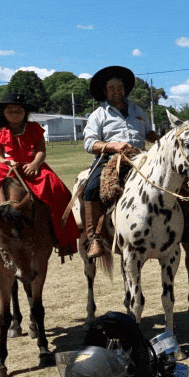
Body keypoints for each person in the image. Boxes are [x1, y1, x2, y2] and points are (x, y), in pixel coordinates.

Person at [0, 92, 80, 257]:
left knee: (59, 189)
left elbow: (41, 151)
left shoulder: (34, 128)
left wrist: (35, 163)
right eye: (10, 110)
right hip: (7, 168)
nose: (14, 114)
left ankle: (65, 241)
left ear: (25, 112)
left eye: (18, 110)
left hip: (31, 167)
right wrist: (5, 162)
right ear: (3, 113)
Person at [81, 66, 159, 259]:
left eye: (120, 87)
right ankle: (95, 238)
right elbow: (90, 143)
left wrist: (159, 139)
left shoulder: (138, 110)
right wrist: (113, 146)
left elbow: (148, 132)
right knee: (91, 187)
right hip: (109, 158)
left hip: (140, 157)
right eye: (112, 87)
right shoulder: (98, 114)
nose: (117, 90)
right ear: (105, 91)